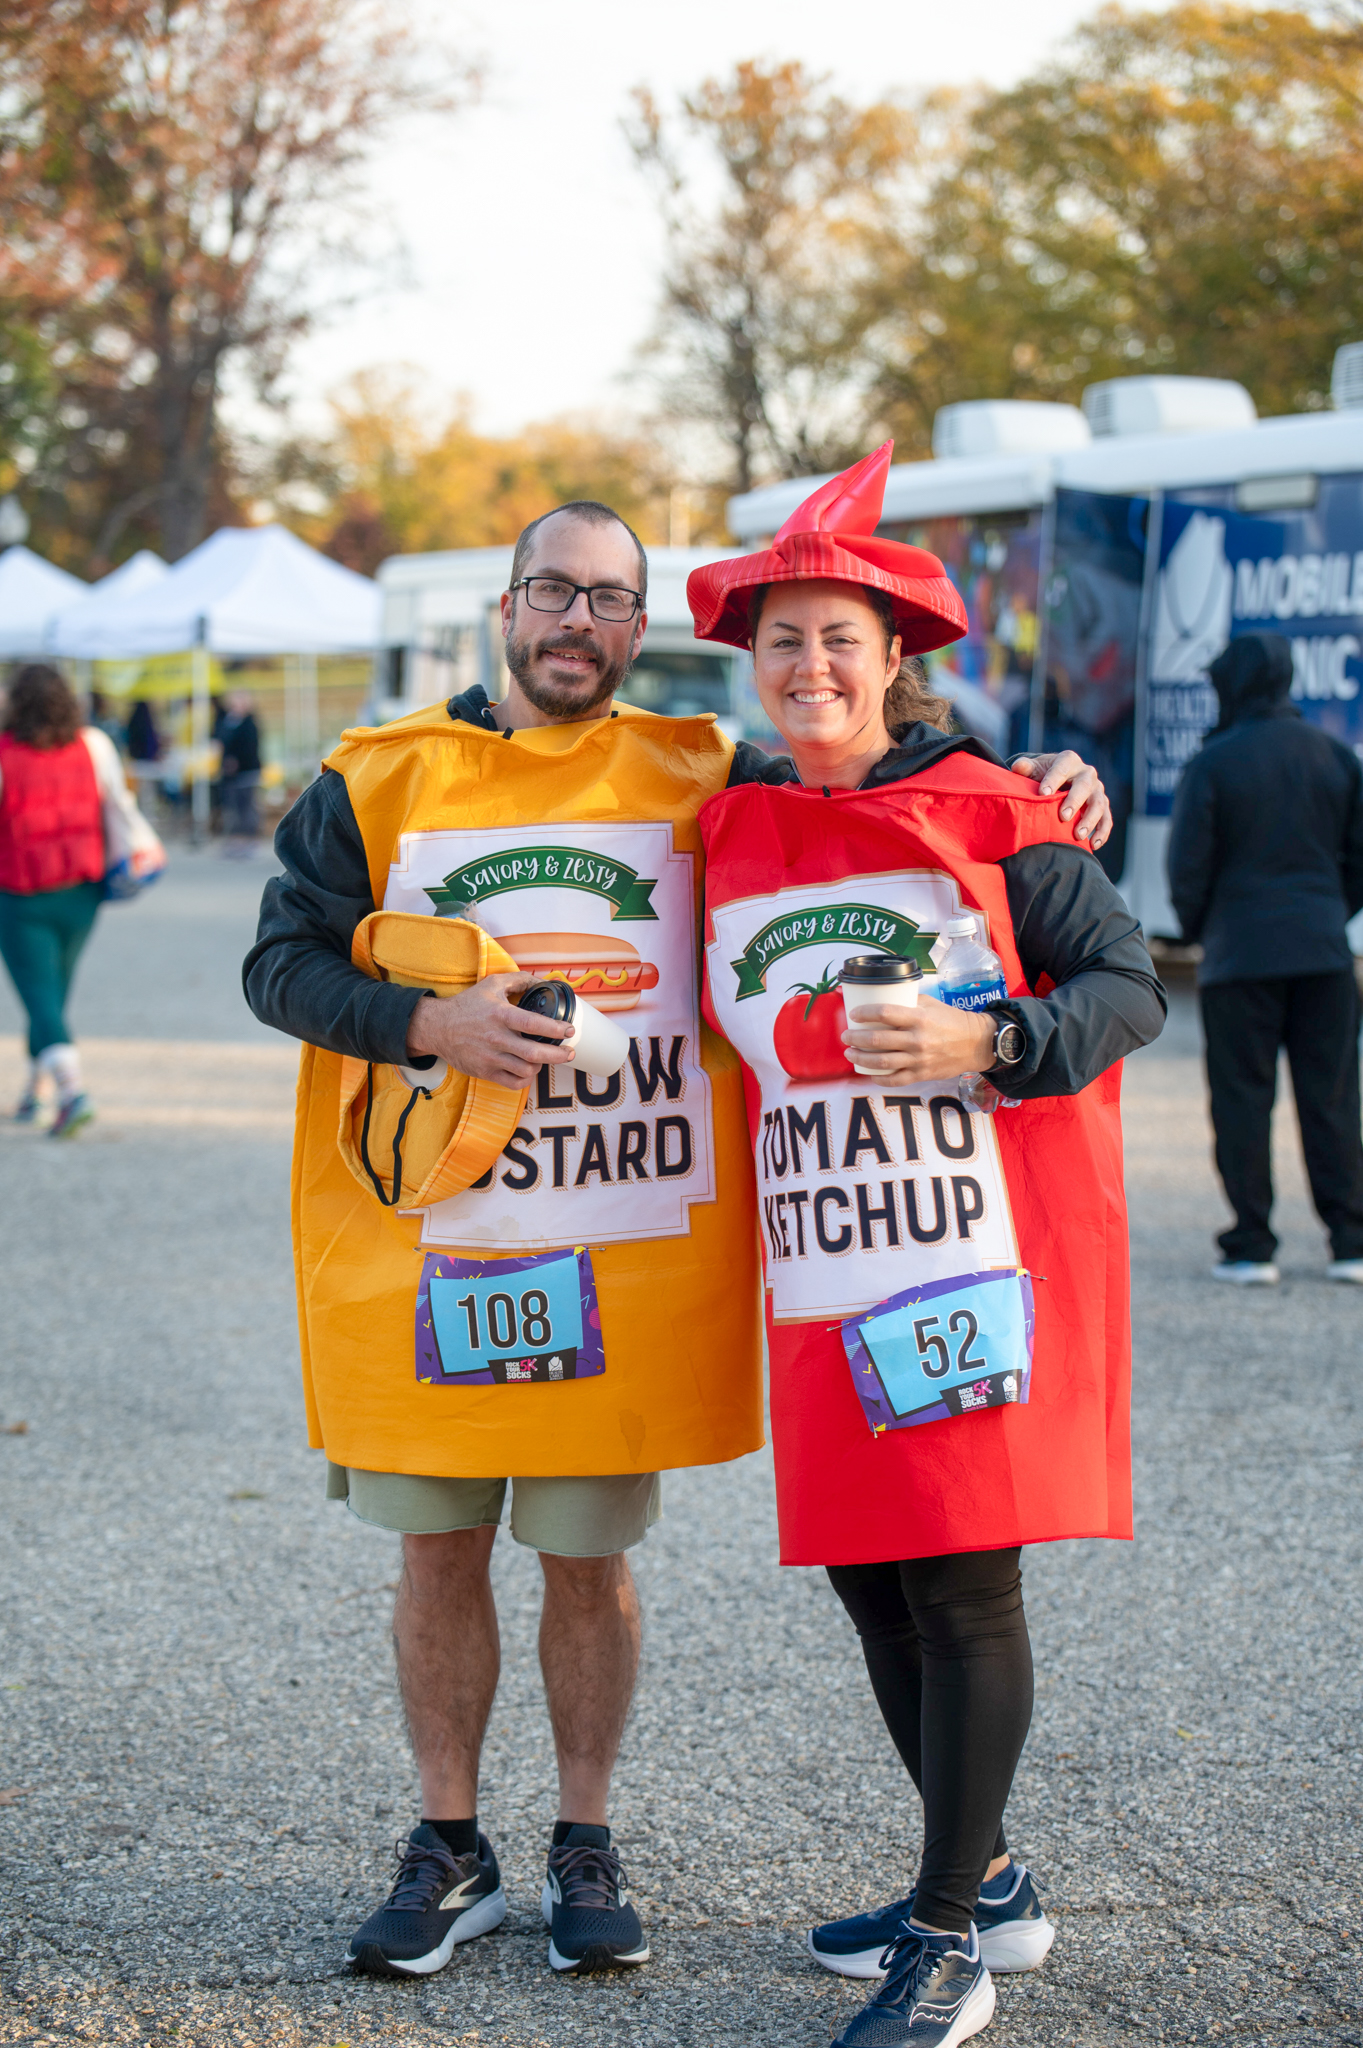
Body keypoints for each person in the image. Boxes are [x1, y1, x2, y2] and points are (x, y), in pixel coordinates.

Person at [242, 496, 1114, 1987]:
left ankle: (588, 1840)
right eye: (550, 593)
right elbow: (278, 963)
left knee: (588, 1563)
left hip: (613, 1250)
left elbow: (879, 775)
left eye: (607, 601)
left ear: (640, 630)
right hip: (433, 1245)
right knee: (438, 1551)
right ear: (506, 606)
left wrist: (1040, 780)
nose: (575, 622)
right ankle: (449, 1845)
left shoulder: (705, 770)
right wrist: (418, 1020)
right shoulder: (372, 775)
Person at [688, 445, 1165, 2048]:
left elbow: (1125, 988)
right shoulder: (730, 821)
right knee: (871, 1586)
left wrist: (1000, 1045)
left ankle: (948, 1939)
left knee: (958, 1588)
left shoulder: (1001, 812)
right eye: (781, 643)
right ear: (750, 670)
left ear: (896, 659)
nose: (808, 667)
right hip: (824, 1261)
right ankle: (993, 1883)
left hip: (968, 1262)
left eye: (838, 639)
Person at [1167, 632, 1363, 1286]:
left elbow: (1186, 867)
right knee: (1332, 1098)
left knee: (1242, 1102)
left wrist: (1202, 929)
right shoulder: (1335, 756)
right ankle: (1348, 1241)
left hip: (1237, 958)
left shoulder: (1212, 764)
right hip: (1322, 958)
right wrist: (1329, 915)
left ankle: (1251, 1245)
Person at [0, 664, 144, 1134]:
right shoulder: (94, 744)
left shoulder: (5, 753)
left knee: (40, 996)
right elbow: (118, 803)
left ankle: (72, 1091)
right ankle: (34, 1093)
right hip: (83, 889)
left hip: (20, 891)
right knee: (51, 992)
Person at [215, 689, 263, 853]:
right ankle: (235, 840)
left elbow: (250, 747)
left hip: (246, 771)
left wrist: (236, 761)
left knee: (246, 807)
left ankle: (248, 840)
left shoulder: (250, 724)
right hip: (229, 774)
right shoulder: (226, 722)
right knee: (232, 808)